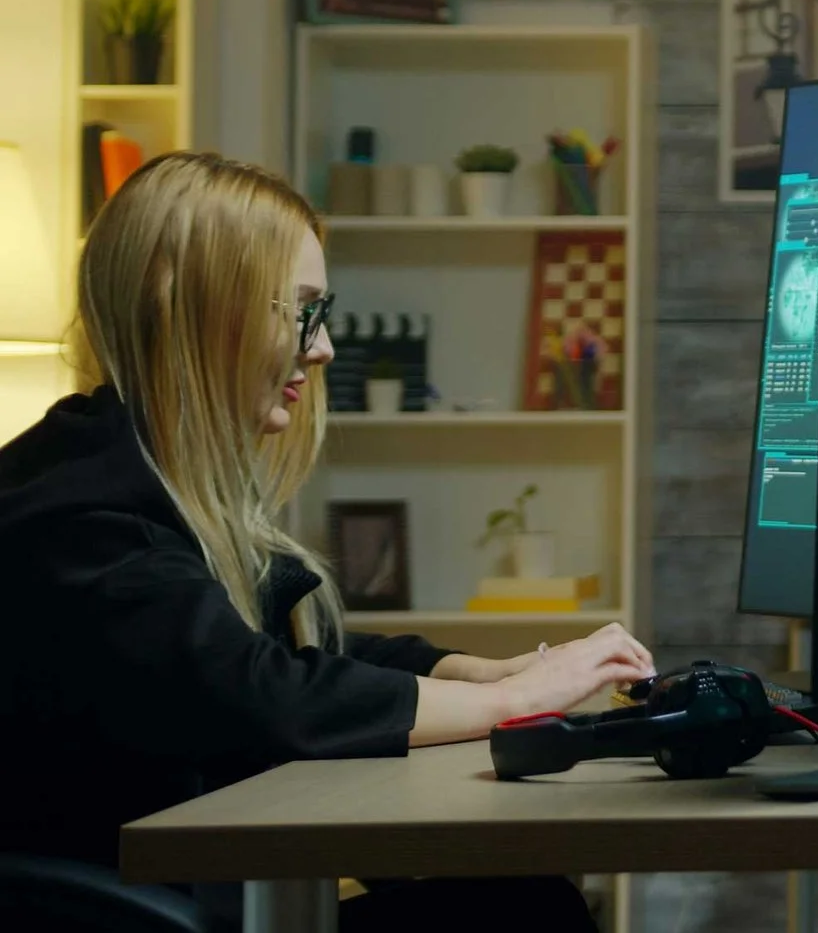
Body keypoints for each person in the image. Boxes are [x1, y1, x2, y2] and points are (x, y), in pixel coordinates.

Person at [0, 151, 656, 932]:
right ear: (197, 307)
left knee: (520, 899)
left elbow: (295, 650)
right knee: (520, 912)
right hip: (116, 917)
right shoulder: (81, 516)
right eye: (301, 309)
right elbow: (263, 691)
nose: (323, 349)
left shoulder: (136, 473)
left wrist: (479, 670)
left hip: (182, 900)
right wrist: (512, 700)